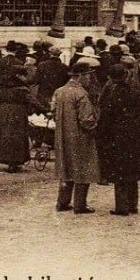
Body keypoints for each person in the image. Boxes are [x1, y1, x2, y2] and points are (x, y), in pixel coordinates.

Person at [97, 63, 140, 216]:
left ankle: (122, 206)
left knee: (120, 172)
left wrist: (102, 135)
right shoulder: (137, 92)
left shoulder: (111, 95)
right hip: (136, 136)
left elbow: (106, 117)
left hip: (118, 137)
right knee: (133, 170)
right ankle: (133, 204)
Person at [52, 59, 100, 214]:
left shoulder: (59, 91)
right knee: (83, 168)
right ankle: (80, 205)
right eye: (88, 76)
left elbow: (53, 111)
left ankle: (62, 202)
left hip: (62, 136)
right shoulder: (81, 94)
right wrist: (95, 129)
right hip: (80, 137)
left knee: (65, 168)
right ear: (80, 76)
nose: (90, 79)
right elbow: (86, 120)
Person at [0, 64, 43, 173]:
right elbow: (33, 101)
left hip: (2, 113)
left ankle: (6, 159)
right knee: (17, 137)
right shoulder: (22, 89)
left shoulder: (1, 87)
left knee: (6, 136)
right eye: (23, 75)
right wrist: (44, 110)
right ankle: (15, 162)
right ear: (17, 76)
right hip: (17, 113)